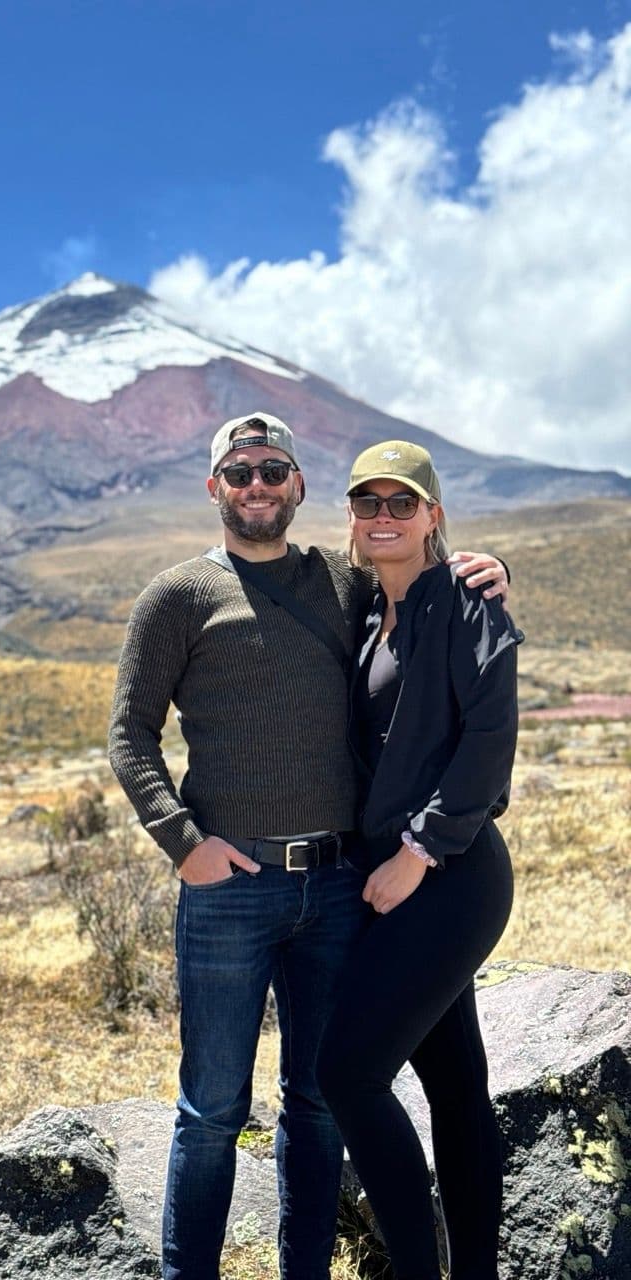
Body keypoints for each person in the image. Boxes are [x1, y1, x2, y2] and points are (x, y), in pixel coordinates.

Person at [107, 413, 508, 1280]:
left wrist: (489, 568)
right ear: (214, 487)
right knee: (212, 1110)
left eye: (272, 471)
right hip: (230, 887)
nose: (256, 486)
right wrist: (182, 842)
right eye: (239, 472)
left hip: (337, 884)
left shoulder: (341, 579)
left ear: (297, 485)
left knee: (321, 1100)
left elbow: (426, 593)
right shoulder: (177, 596)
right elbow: (130, 732)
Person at [316, 441, 522, 1280]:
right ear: (352, 518)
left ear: (433, 515)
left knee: (348, 1075)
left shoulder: (468, 602)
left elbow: (490, 741)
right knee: (455, 1088)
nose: (384, 517)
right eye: (368, 502)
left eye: (403, 502)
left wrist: (419, 850)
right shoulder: (372, 609)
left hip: (451, 875)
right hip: (393, 877)